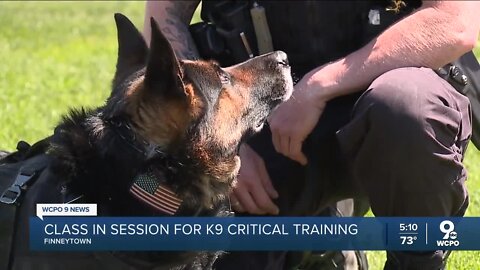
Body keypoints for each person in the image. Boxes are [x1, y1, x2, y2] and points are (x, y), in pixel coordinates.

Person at [144, 1, 480, 269]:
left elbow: (454, 22)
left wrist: (319, 87)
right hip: (262, 123)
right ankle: (319, 247)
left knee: (406, 107)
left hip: (391, 112)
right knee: (194, 236)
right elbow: (163, 19)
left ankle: (415, 263)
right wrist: (220, 142)